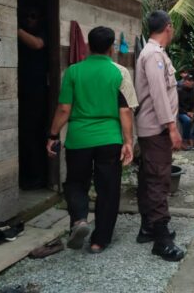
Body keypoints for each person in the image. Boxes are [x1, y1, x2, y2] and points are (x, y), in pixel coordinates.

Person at [46, 26, 136, 253]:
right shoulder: (120, 72)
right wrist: (128, 142)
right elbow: (125, 111)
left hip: (79, 138)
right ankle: (99, 241)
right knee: (108, 188)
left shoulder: (73, 72)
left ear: (87, 45)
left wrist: (53, 135)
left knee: (76, 182)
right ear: (111, 47)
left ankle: (79, 220)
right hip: (110, 138)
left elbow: (64, 109)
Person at [134, 10, 185, 261]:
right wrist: (172, 127)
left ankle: (148, 228)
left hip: (154, 128)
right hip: (156, 128)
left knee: (148, 177)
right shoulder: (153, 54)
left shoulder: (155, 53)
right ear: (168, 27)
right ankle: (161, 240)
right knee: (158, 180)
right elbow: (158, 94)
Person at [18, 8, 49, 190]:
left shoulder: (41, 33)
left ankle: (37, 178)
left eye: (33, 15)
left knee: (33, 136)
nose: (29, 19)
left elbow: (37, 44)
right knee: (26, 136)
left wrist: (16, 30)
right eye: (26, 16)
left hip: (37, 93)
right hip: (23, 91)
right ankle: (29, 176)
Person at [178, 74, 194, 150]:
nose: (191, 82)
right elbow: (177, 106)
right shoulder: (179, 91)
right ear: (184, 82)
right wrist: (186, 113)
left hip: (191, 112)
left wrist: (193, 113)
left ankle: (193, 138)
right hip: (181, 112)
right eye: (189, 80)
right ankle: (185, 140)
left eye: (192, 81)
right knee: (187, 121)